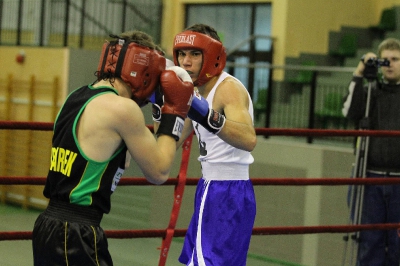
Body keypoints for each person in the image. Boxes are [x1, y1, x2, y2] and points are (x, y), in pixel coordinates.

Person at [32, 30, 194, 266]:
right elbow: (159, 171)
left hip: (49, 225)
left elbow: (147, 154)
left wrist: (180, 119)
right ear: (144, 72)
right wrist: (175, 112)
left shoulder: (76, 97)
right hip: (76, 233)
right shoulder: (122, 110)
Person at [153, 23, 257, 265]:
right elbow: (168, 141)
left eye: (195, 54)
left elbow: (249, 139)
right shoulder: (194, 92)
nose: (186, 62)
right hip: (209, 188)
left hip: (228, 192)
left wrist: (207, 115)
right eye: (182, 54)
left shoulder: (227, 88)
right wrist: (159, 106)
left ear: (211, 57)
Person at [342, 37, 400, 266]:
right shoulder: (370, 93)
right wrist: (359, 72)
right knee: (369, 241)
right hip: (370, 178)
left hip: (398, 182)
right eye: (385, 60)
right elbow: (348, 112)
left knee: (397, 245)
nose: (390, 64)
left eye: (396, 59)